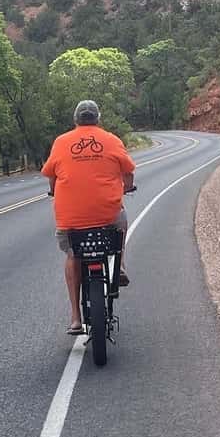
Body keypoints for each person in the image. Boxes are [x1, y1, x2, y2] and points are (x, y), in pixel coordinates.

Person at [41, 99, 135, 335]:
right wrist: (125, 188)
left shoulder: (61, 142)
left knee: (73, 255)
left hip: (71, 220)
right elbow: (129, 173)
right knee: (121, 221)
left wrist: (55, 191)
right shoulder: (112, 140)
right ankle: (120, 266)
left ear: (75, 120)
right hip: (107, 214)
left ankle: (75, 318)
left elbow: (52, 178)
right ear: (98, 119)